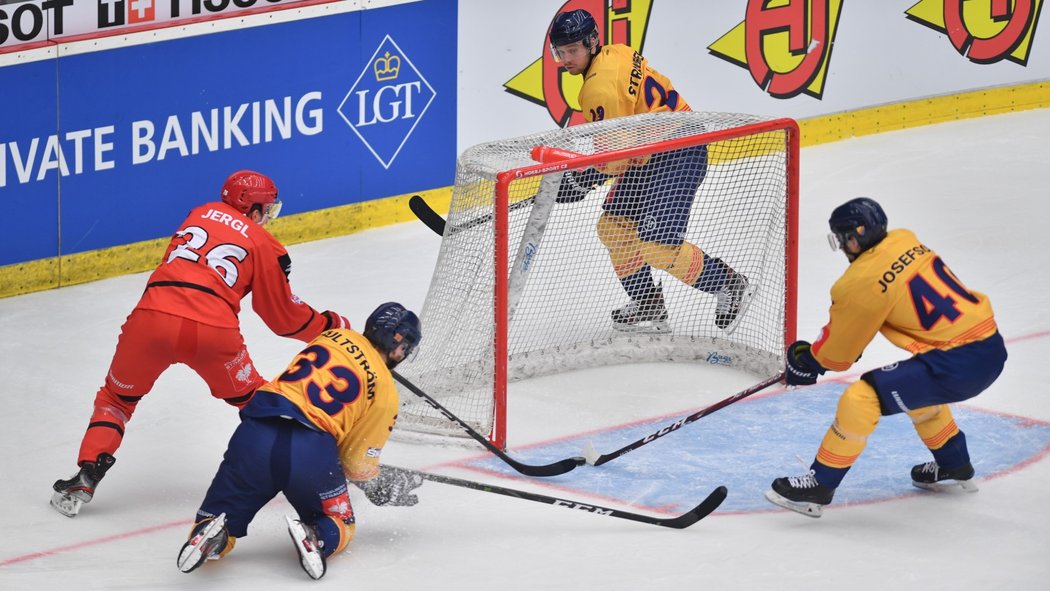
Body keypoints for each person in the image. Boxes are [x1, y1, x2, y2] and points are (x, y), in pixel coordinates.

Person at [51, 170, 351, 518]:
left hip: (151, 319)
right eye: (267, 209)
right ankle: (316, 477)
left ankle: (86, 475)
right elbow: (283, 317)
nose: (268, 217)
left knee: (116, 399)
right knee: (259, 403)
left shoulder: (198, 213)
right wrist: (330, 326)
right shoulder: (264, 243)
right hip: (212, 331)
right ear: (252, 209)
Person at [765, 197, 1007, 518]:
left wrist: (808, 360)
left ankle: (820, 484)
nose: (842, 247)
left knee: (861, 397)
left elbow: (839, 355)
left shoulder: (860, 281)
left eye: (842, 239)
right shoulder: (906, 239)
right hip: (990, 347)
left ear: (855, 237)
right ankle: (954, 464)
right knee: (918, 392)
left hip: (955, 363)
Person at [176, 302, 425, 580]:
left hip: (255, 432)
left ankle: (210, 536)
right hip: (309, 450)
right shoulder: (387, 395)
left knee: (221, 514)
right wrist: (378, 483)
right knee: (340, 522)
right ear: (398, 344)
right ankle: (316, 536)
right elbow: (355, 464)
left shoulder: (334, 336)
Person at [547, 9, 752, 333]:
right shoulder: (618, 51)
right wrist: (584, 176)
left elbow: (617, 159)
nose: (565, 58)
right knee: (613, 228)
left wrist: (580, 181)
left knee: (658, 246)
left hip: (678, 150)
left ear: (592, 42)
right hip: (654, 150)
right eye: (561, 51)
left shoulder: (597, 88)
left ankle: (728, 283)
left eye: (573, 50)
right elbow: (626, 145)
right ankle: (648, 302)